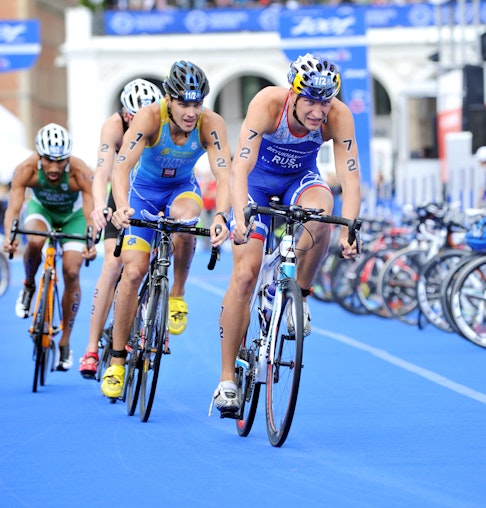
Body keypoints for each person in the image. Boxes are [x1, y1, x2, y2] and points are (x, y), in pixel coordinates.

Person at [210, 53, 362, 417]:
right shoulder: (268, 103)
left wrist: (351, 227)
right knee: (245, 275)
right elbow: (240, 166)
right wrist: (240, 217)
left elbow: (350, 175)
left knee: (323, 213)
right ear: (292, 94)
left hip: (300, 180)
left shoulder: (339, 116)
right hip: (256, 184)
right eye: (310, 101)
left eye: (325, 102)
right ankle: (227, 379)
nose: (318, 111)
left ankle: (300, 295)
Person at [101, 60, 232, 399]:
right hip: (142, 194)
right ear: (169, 100)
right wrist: (122, 206)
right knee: (133, 272)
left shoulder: (210, 123)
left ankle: (177, 294)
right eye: (184, 103)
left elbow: (224, 174)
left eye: (197, 103)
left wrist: (221, 215)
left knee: (186, 222)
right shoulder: (149, 117)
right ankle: (117, 360)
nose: (192, 112)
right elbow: (121, 167)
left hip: (181, 190)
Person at [78, 78, 163, 379]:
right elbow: (102, 172)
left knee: (161, 253)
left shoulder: (162, 120)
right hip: (122, 194)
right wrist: (101, 206)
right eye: (134, 117)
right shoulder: (113, 126)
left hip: (153, 192)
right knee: (113, 265)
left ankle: (155, 316)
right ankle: (91, 347)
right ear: (125, 115)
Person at [2, 123, 97, 371]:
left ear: (68, 158)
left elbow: (90, 213)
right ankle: (29, 285)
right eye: (48, 160)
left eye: (60, 161)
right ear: (39, 156)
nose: (54, 168)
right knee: (34, 240)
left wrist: (90, 241)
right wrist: (11, 236)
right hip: (41, 211)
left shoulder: (80, 172)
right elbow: (13, 209)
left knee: (72, 271)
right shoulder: (25, 169)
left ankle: (65, 342)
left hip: (73, 217)